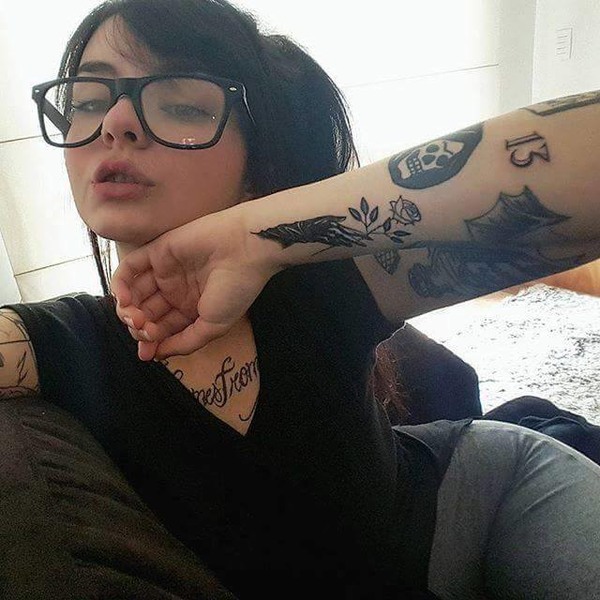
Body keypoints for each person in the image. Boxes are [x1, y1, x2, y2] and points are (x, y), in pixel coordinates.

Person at [1, 0, 599, 598]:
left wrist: (257, 233)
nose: (116, 122)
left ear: (256, 160)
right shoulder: (63, 343)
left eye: (180, 104)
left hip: (480, 497)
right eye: (88, 99)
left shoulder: (325, 282)